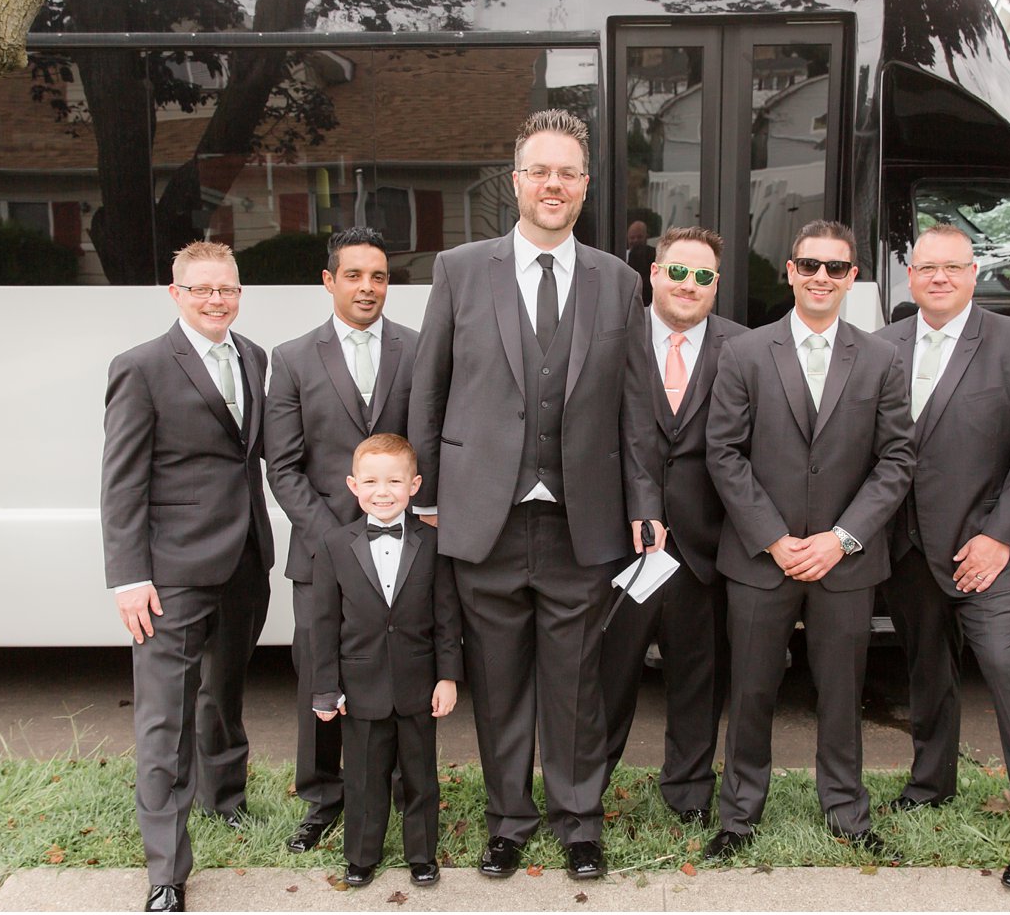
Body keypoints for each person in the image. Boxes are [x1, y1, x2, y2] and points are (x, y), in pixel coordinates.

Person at [408, 108, 664, 881]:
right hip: (483, 515)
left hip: (582, 521)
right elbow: (431, 385)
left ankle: (579, 820)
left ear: (586, 188)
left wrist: (644, 501)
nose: (554, 184)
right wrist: (425, 489)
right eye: (540, 170)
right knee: (498, 684)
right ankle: (508, 821)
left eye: (569, 173)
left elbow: (635, 405)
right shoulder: (459, 270)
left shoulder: (618, 280)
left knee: (575, 683)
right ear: (516, 181)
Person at [876, 224, 1010, 892]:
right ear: (910, 276)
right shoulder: (884, 345)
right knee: (926, 668)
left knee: (1006, 669)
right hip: (907, 546)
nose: (939, 277)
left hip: (991, 548)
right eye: (927, 267)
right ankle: (932, 782)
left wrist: (1001, 537)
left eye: (952, 267)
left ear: (974, 273)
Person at [704, 220, 913, 861]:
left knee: (843, 691)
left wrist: (841, 539)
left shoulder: (881, 358)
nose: (821, 276)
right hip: (761, 560)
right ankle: (739, 816)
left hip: (844, 562)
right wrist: (772, 538)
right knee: (751, 689)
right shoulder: (745, 353)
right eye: (809, 265)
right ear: (790, 272)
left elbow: (896, 460)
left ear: (852, 277)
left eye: (836, 267)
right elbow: (723, 452)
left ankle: (847, 811)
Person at [100, 240, 273, 913]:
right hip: (169, 574)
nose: (215, 300)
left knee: (223, 696)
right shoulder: (140, 367)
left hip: (244, 564)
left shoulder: (253, 357)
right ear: (176, 295)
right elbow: (121, 482)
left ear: (238, 292)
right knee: (164, 719)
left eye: (225, 289)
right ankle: (166, 872)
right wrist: (128, 576)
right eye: (200, 289)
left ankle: (225, 801)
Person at [263, 228, 418, 854]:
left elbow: (428, 443)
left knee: (402, 668)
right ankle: (322, 798)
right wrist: (337, 541)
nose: (367, 287)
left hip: (405, 554)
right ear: (329, 281)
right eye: (354, 275)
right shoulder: (293, 357)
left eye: (378, 276)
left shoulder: (419, 348)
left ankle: (408, 792)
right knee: (319, 677)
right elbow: (284, 466)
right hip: (322, 554)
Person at [600, 226, 745, 824]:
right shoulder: (610, 338)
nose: (690, 285)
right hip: (620, 544)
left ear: (717, 285)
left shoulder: (743, 347)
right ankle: (583, 795)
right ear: (654, 274)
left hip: (703, 546)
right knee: (605, 679)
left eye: (704, 276)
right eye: (678, 272)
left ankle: (688, 797)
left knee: (698, 681)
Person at [311, 434, 462, 889]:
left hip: (418, 683)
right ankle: (361, 856)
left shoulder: (433, 544)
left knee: (420, 776)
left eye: (394, 481)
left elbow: (446, 616)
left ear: (414, 485)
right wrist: (325, 686)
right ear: (353, 485)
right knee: (362, 779)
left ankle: (421, 854)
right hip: (360, 687)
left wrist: (448, 677)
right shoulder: (334, 544)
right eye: (372, 481)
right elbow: (322, 624)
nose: (383, 491)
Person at [624, 219, 654, 303]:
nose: (636, 240)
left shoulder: (653, 255)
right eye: (632, 238)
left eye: (639, 237)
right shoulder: (621, 257)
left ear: (646, 237)